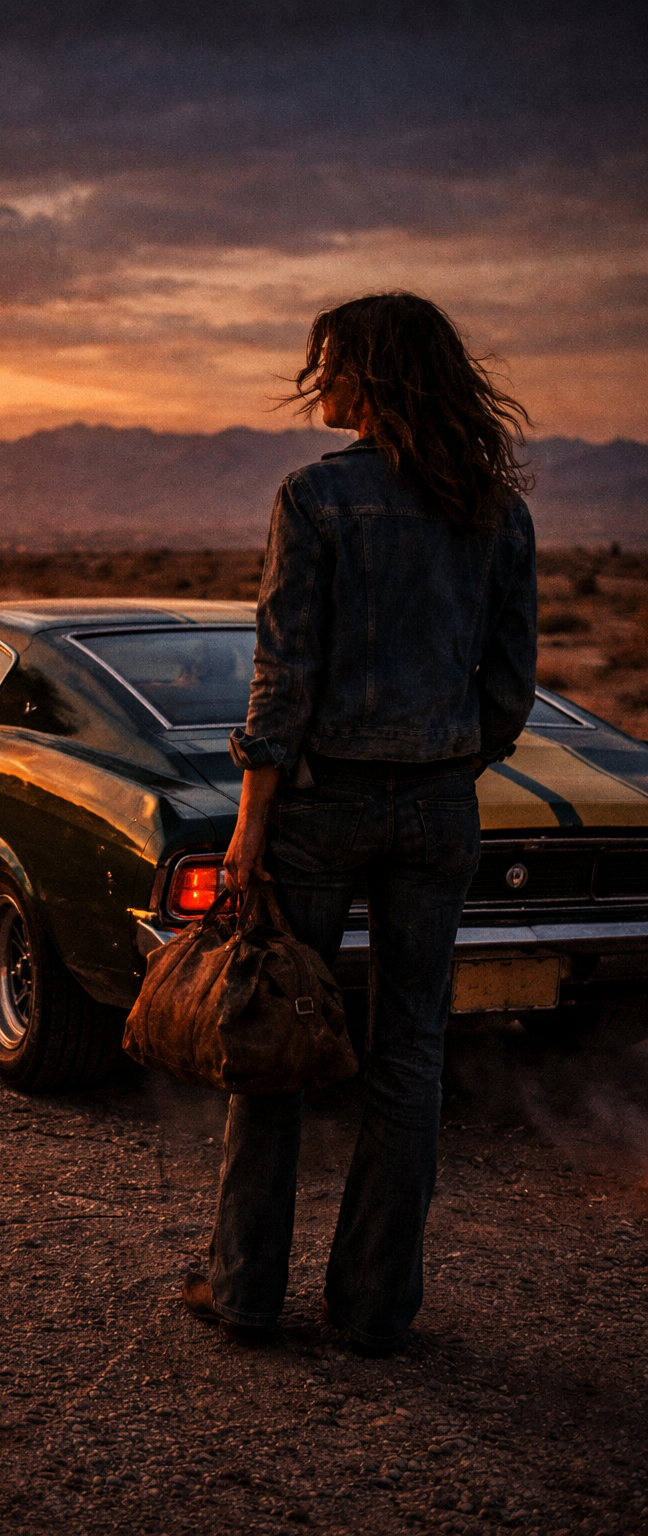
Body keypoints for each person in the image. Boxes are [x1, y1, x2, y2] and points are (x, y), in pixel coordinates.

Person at [182, 292, 538, 1355]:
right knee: (410, 1052)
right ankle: (376, 1307)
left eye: (330, 365)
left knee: (272, 1033)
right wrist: (444, 764)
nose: (318, 385)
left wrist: (250, 827)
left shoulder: (316, 498)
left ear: (373, 376)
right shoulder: (495, 510)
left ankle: (245, 1292)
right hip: (438, 807)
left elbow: (283, 677)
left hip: (320, 805)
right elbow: (510, 688)